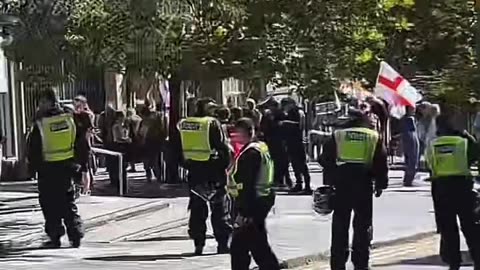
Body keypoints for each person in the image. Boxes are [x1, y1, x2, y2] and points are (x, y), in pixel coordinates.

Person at [319, 109, 388, 270]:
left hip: (342, 184)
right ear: (363, 120)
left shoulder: (338, 135)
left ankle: (337, 263)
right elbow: (381, 162)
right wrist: (380, 184)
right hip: (364, 183)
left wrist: (331, 178)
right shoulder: (373, 136)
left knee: (340, 225)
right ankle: (361, 262)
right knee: (363, 225)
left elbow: (324, 159)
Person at [173, 98, 232, 255]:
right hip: (214, 172)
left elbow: (177, 149)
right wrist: (225, 165)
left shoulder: (184, 124)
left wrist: (187, 164)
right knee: (220, 209)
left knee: (197, 210)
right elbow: (222, 148)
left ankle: (198, 243)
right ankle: (223, 243)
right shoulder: (212, 123)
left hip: (195, 173)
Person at [27, 89, 84, 248]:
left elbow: (34, 148)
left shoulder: (42, 123)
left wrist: (32, 169)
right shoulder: (69, 119)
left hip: (48, 169)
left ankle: (55, 236)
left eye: (42, 102)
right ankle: (75, 233)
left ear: (47, 102)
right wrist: (80, 165)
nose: (40, 105)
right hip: (67, 166)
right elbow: (80, 142)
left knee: (50, 204)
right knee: (67, 201)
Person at [425, 116, 480, 270]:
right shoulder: (463, 141)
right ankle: (477, 259)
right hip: (463, 186)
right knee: (471, 227)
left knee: (448, 229)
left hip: (441, 187)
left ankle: (454, 263)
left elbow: (430, 164)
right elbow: (475, 154)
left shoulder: (433, 144)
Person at [228, 118, 280, 270]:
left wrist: (244, 212)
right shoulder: (261, 147)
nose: (234, 138)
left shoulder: (250, 153)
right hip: (261, 200)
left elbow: (246, 185)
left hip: (252, 203)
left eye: (237, 134)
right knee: (254, 245)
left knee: (244, 247)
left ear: (246, 133)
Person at [259, 97, 292, 188]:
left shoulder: (273, 115)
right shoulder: (278, 114)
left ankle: (281, 180)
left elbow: (264, 127)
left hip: (275, 141)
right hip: (276, 141)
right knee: (280, 161)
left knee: (278, 161)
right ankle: (282, 180)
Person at [282, 98, 312, 194]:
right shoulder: (297, 112)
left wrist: (284, 123)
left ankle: (306, 185)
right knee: (295, 164)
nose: (284, 108)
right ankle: (299, 184)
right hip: (293, 141)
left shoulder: (295, 112)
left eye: (285, 105)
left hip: (296, 141)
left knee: (301, 164)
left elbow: (298, 126)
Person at [72, 94, 94, 195]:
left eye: (78, 104)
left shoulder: (86, 116)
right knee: (75, 167)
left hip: (83, 145)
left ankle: (86, 189)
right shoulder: (72, 116)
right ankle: (77, 186)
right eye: (75, 104)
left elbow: (89, 132)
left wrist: (88, 144)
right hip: (74, 144)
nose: (76, 106)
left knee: (85, 168)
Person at [111, 111, 131, 189]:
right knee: (120, 167)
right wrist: (126, 140)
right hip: (119, 146)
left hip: (124, 146)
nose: (123, 119)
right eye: (122, 117)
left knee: (124, 167)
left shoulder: (123, 126)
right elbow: (117, 138)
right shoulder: (116, 126)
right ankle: (120, 185)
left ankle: (124, 185)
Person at [401, 106, 420, 186]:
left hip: (409, 139)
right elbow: (411, 132)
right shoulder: (410, 119)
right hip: (411, 139)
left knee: (409, 159)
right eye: (412, 108)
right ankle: (409, 179)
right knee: (412, 159)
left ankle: (408, 178)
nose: (414, 110)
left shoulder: (406, 119)